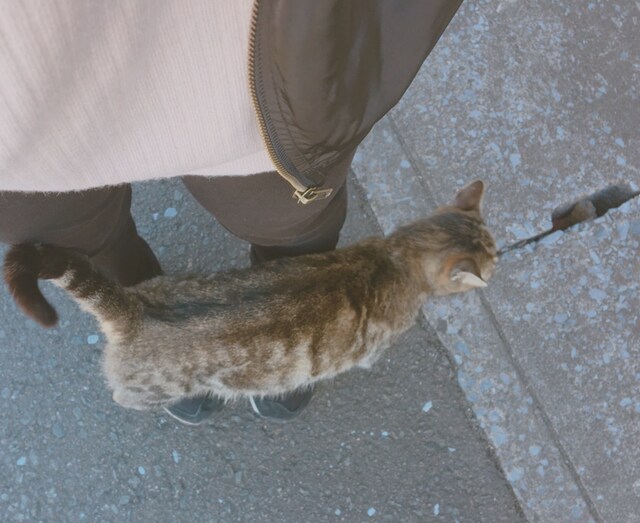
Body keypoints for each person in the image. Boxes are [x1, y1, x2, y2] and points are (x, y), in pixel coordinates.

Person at [0, 0, 462, 424]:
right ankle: (163, 354)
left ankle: (262, 351)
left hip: (253, 69)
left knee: (291, 230)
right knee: (92, 250)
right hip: (23, 139)